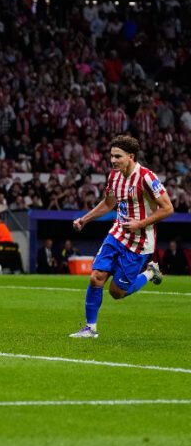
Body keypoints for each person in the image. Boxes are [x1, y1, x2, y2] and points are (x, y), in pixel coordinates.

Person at [70, 136, 172, 339]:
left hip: (140, 242)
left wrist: (140, 224)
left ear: (131, 157)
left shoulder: (147, 177)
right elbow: (108, 204)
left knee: (117, 292)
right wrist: (85, 219)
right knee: (96, 277)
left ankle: (150, 273)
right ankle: (90, 329)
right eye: (111, 156)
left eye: (118, 156)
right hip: (117, 234)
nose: (113, 160)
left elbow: (168, 208)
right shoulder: (114, 176)